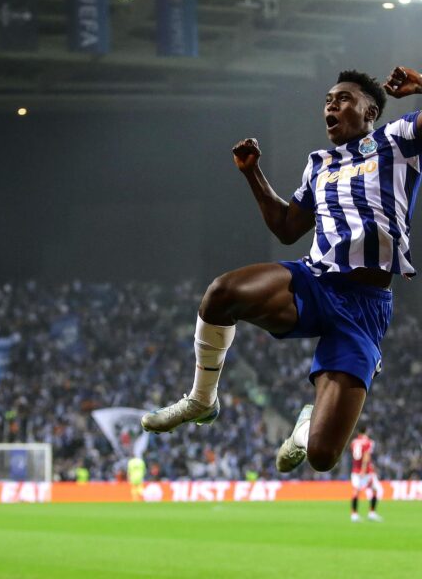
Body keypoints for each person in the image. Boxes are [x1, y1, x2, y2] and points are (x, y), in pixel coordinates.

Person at [142, 66, 422, 476]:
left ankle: (306, 424)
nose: (331, 105)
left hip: (364, 309)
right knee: (222, 293)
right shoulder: (319, 164)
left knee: (323, 457)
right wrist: (253, 173)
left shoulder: (395, 141)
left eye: (343, 98)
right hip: (315, 280)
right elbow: (288, 228)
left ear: (370, 110)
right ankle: (202, 399)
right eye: (327, 99)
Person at [350, 426, 383, 522]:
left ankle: (354, 514)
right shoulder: (368, 442)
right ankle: (371, 513)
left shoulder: (353, 442)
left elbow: (355, 456)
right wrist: (363, 470)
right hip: (365, 472)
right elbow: (366, 456)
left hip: (355, 470)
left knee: (356, 491)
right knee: (375, 490)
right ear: (366, 432)